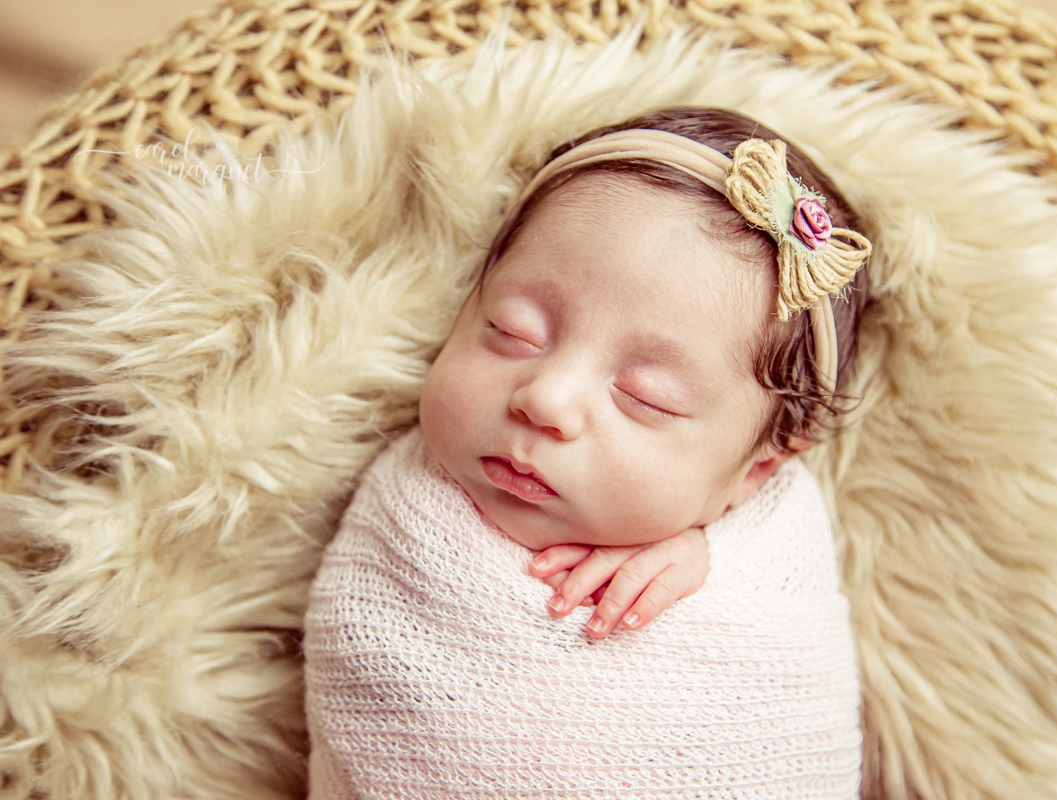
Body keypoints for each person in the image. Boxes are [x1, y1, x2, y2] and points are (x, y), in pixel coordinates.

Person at [303, 107, 869, 798]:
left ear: (752, 473)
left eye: (646, 398)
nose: (546, 399)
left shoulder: (765, 534)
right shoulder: (407, 509)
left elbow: (781, 595)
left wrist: (708, 553)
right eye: (513, 332)